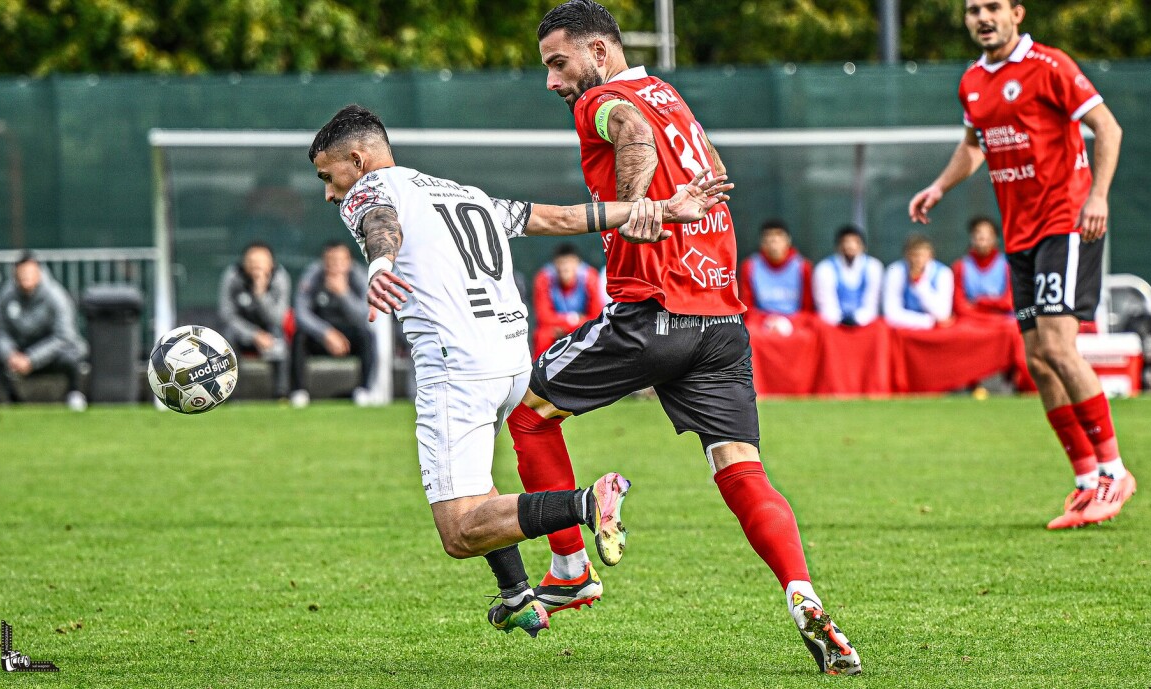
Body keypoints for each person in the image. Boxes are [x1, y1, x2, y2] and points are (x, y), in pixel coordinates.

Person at [517, 0, 861, 674]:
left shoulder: (607, 99)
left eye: (558, 64)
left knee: (529, 415)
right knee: (739, 466)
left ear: (597, 51)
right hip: (722, 323)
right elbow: (695, 163)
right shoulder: (670, 94)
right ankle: (802, 592)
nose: (553, 82)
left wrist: (639, 202)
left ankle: (568, 565)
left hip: (654, 313)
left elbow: (632, 132)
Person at [309, 104, 732, 636]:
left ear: (358, 159)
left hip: (456, 366)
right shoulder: (466, 194)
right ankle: (517, 593)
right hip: (510, 360)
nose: (330, 192)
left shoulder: (368, 191)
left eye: (329, 176)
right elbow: (559, 217)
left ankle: (587, 502)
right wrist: (661, 209)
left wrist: (380, 265)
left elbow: (380, 223)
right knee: (479, 489)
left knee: (459, 531)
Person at [908, 0, 1131, 529]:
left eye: (992, 8)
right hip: (1021, 234)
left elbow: (1109, 128)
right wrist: (939, 187)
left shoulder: (1051, 66)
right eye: (972, 10)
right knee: (1037, 359)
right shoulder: (972, 82)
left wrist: (1097, 197)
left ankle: (1114, 471)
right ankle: (1083, 481)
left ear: (1016, 13)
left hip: (1066, 222)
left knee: (1057, 345)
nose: (982, 18)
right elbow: (974, 147)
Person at [0, 254, 88, 410]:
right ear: (15, 273)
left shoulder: (56, 296)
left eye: (29, 273)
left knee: (72, 355)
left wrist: (31, 359)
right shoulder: (7, 295)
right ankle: (13, 399)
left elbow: (63, 337)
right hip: (20, 355)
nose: (25, 277)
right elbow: (1, 331)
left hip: (50, 355)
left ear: (38, 273)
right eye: (21, 273)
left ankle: (74, 394)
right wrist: (10, 354)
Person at [289, 241, 374, 407]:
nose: (335, 265)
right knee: (299, 336)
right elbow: (301, 313)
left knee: (367, 335)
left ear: (349, 261)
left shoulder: (358, 276)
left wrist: (343, 294)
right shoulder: (313, 275)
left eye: (340, 261)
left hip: (349, 336)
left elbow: (364, 315)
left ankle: (364, 390)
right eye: (330, 260)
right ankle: (299, 392)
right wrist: (326, 333)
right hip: (320, 335)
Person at [218, 242, 292, 399]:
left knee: (281, 340)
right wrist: (254, 335)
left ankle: (282, 395)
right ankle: (232, 395)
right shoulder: (233, 276)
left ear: (271, 264)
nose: (256, 266)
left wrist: (261, 293)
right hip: (241, 331)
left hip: (270, 330)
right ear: (244, 263)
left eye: (261, 262)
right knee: (227, 340)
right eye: (252, 262)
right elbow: (227, 315)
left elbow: (278, 318)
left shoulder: (280, 277)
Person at [738, 219, 813, 334]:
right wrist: (767, 322)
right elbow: (746, 307)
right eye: (769, 238)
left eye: (778, 237)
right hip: (761, 324)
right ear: (762, 243)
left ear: (788, 241)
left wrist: (787, 323)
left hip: (795, 324)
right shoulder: (749, 266)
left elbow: (808, 308)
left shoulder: (803, 267)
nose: (774, 243)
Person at [531, 243, 605, 356]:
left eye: (569, 262)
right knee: (542, 336)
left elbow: (596, 317)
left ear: (577, 263)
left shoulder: (590, 277)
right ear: (555, 264)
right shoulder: (544, 278)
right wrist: (574, 320)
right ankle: (539, 371)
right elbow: (544, 318)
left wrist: (571, 327)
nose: (565, 267)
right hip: (555, 329)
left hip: (582, 328)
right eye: (561, 263)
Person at [812, 224, 884, 328]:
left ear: (863, 246)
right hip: (834, 325)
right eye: (846, 242)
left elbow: (872, 302)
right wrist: (841, 320)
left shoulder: (874, 267)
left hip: (865, 324)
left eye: (855, 242)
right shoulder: (824, 268)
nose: (850, 246)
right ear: (838, 246)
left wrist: (857, 319)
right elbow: (826, 304)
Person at [882, 234, 955, 330]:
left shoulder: (944, 273)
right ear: (906, 255)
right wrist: (928, 321)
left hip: (935, 331)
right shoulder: (895, 271)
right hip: (905, 329)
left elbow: (943, 314)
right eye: (914, 255)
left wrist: (919, 283)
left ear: (931, 255)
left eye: (923, 255)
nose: (918, 260)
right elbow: (891, 314)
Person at [953, 216, 1014, 318]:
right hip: (972, 321)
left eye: (988, 233)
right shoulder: (960, 266)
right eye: (978, 232)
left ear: (995, 238)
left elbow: (1009, 303)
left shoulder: (1007, 265)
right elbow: (959, 306)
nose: (983, 237)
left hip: (1003, 320)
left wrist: (979, 302)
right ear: (972, 238)